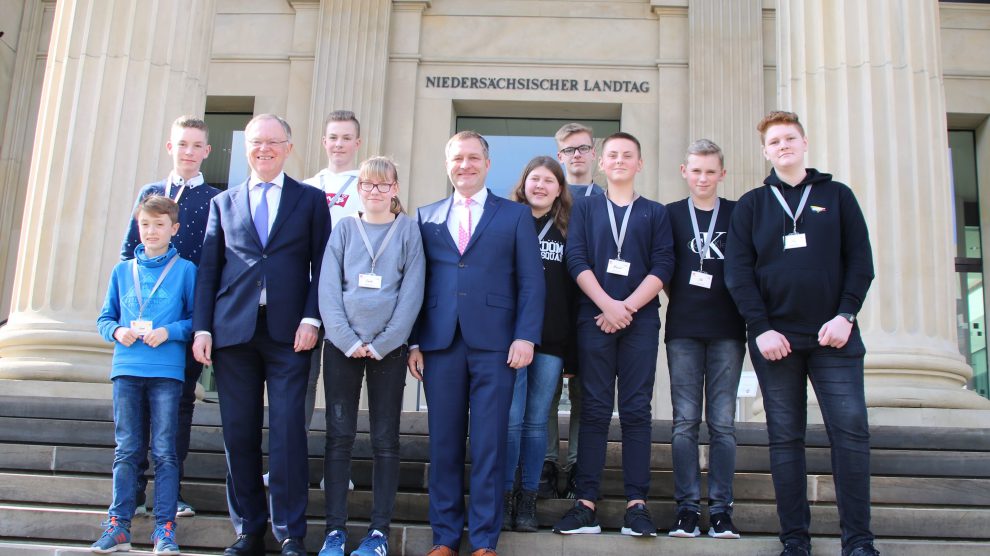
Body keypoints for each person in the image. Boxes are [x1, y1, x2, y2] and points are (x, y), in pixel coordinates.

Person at [724, 111, 877, 556]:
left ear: (804, 143)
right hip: (777, 342)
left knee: (850, 433)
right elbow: (738, 274)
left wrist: (845, 315)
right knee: (785, 438)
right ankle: (794, 540)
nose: (783, 145)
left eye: (790, 138)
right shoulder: (752, 205)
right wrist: (761, 327)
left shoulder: (838, 196)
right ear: (765, 151)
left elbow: (861, 263)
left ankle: (860, 541)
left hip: (835, 337)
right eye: (774, 141)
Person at [192, 114, 330, 556]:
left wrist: (313, 319)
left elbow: (323, 266)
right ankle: (248, 530)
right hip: (234, 334)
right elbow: (209, 271)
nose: (264, 149)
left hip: (291, 335)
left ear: (289, 147)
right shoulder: (223, 202)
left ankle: (290, 532)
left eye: (274, 142)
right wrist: (202, 327)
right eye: (256, 142)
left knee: (289, 431)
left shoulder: (310, 200)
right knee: (239, 432)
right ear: (245, 148)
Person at [406, 131, 545, 556]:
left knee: (489, 444)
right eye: (456, 159)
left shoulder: (515, 216)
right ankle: (445, 538)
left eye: (472, 158)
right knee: (444, 443)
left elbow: (531, 282)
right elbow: (415, 283)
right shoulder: (424, 215)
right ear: (447, 164)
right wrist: (413, 342)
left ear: (487, 164)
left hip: (496, 344)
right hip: (439, 343)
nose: (464, 165)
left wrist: (525, 336)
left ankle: (484, 540)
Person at [552, 132, 674, 538]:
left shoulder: (655, 213)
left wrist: (626, 308)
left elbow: (662, 266)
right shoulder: (584, 208)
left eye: (628, 155)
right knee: (596, 410)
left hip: (639, 322)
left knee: (637, 410)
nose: (620, 160)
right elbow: (576, 258)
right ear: (601, 164)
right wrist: (607, 305)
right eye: (613, 155)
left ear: (640, 164)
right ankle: (585, 502)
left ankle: (636, 504)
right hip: (595, 319)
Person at [316, 156, 425, 556]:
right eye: (368, 184)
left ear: (395, 189)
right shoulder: (344, 228)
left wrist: (385, 342)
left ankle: (378, 532)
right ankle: (335, 531)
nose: (375, 191)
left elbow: (412, 294)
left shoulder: (408, 231)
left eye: (383, 185)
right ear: (358, 189)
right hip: (343, 347)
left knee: (385, 440)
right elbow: (328, 289)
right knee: (339, 436)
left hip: (389, 351)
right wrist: (346, 339)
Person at [120, 115, 221, 518]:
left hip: (183, 322)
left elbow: (214, 264)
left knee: (179, 404)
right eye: (182, 144)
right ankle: (134, 492)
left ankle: (170, 493)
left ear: (207, 152)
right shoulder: (149, 192)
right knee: (139, 405)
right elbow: (129, 252)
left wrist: (203, 322)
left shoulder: (215, 199)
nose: (189, 152)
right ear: (170, 147)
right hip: (143, 322)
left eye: (197, 146)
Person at [94, 195, 197, 555]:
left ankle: (164, 528)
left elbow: (197, 320)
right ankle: (118, 525)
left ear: (174, 229)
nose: (151, 231)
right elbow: (105, 318)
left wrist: (170, 331)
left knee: (165, 451)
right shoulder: (122, 271)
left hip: (166, 371)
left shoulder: (186, 271)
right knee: (126, 449)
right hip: (126, 369)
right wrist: (116, 332)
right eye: (145, 225)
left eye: (158, 225)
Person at [664, 139, 746, 540]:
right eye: (696, 170)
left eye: (710, 171)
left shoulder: (737, 214)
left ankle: (721, 511)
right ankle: (685, 509)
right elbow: (662, 269)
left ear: (722, 174)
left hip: (729, 330)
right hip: (682, 329)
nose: (702, 178)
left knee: (723, 424)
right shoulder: (670, 216)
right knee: (684, 422)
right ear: (685, 172)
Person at [502, 156, 576, 532]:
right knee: (510, 421)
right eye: (535, 179)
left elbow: (575, 290)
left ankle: (528, 499)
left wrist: (572, 349)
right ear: (524, 183)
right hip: (511, 338)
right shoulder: (505, 220)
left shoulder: (569, 228)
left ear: (559, 189)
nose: (541, 186)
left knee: (535, 424)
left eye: (550, 180)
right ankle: (504, 497)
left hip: (551, 340)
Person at [540, 123, 604, 500]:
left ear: (593, 153)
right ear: (559, 156)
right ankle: (547, 462)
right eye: (568, 150)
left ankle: (579, 463)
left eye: (583, 148)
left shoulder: (607, 200)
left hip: (591, 309)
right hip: (552, 310)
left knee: (585, 391)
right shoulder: (549, 200)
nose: (576, 155)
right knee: (546, 391)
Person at [301, 110, 364, 449]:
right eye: (333, 137)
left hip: (350, 297)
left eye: (346, 138)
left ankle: (337, 468)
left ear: (358, 143)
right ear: (324, 142)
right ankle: (290, 461)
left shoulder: (367, 186)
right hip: (308, 295)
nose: (339, 144)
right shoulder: (306, 187)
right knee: (303, 381)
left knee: (342, 386)